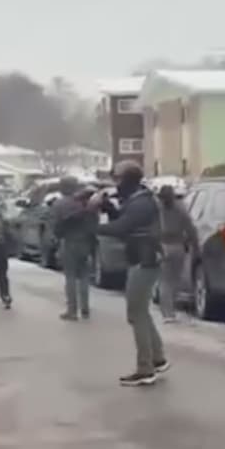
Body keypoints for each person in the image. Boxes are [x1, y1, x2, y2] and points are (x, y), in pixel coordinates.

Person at [94, 161, 168, 386]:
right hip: (142, 258)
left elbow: (121, 228)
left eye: (117, 179)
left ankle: (145, 369)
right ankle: (157, 358)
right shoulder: (139, 199)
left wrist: (91, 227)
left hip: (144, 260)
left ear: (127, 180)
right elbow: (124, 222)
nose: (115, 184)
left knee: (135, 312)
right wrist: (109, 209)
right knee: (141, 311)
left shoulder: (142, 203)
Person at [51, 177, 98, 321]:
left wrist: (57, 238)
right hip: (85, 242)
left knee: (70, 276)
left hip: (69, 242)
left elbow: (56, 225)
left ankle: (72, 310)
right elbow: (94, 221)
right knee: (84, 276)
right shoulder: (86, 203)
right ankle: (85, 309)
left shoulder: (59, 204)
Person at [156, 185, 197, 324]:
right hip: (178, 246)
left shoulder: (157, 210)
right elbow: (190, 228)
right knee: (175, 280)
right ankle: (171, 311)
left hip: (162, 245)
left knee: (165, 280)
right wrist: (194, 244)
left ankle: (167, 313)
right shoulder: (180, 210)